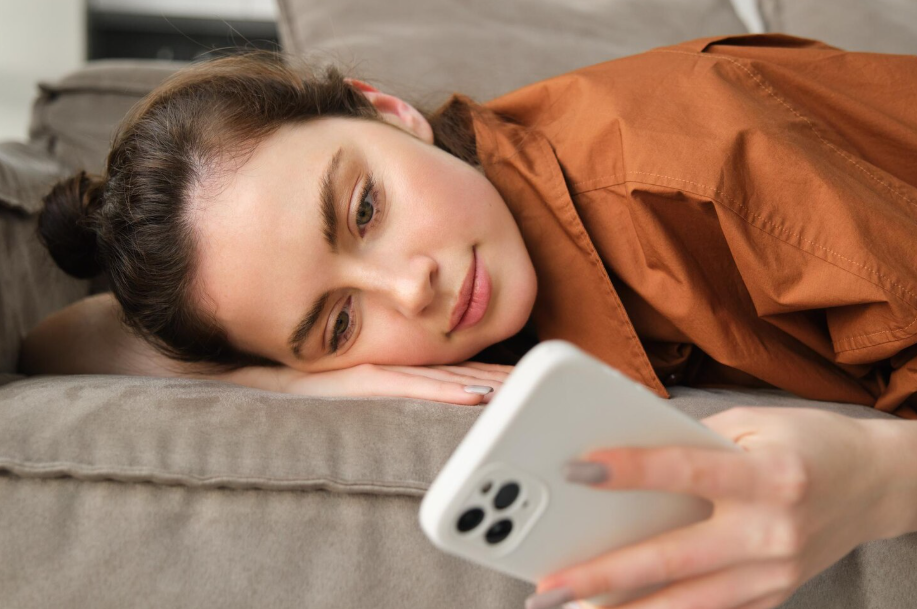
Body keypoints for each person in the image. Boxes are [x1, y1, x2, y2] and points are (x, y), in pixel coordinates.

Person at [19, 34, 917, 609]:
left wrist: (881, 474)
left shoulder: (694, 169)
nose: (408, 291)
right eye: (338, 320)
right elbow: (58, 340)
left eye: (364, 210)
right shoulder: (477, 263)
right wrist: (288, 376)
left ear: (386, 110)